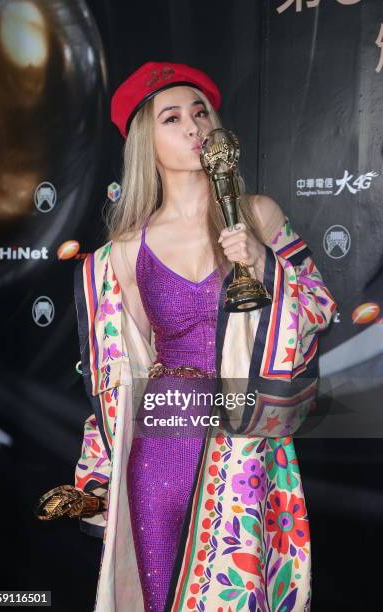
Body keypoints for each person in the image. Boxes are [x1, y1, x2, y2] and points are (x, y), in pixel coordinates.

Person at [73, 61, 337, 612]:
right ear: (147, 141)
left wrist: (264, 264)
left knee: (239, 593)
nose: (194, 127)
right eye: (173, 118)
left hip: (243, 436)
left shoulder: (258, 216)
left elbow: (318, 308)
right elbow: (116, 375)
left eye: (201, 114)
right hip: (161, 446)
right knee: (161, 593)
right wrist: (95, 475)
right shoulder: (122, 252)